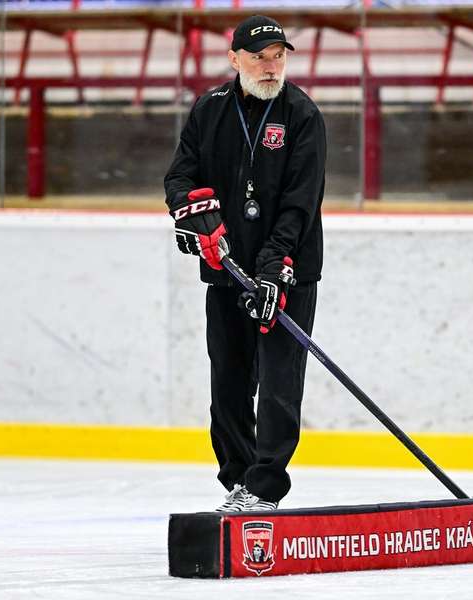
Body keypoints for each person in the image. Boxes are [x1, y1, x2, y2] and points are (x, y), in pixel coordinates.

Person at [164, 15, 327, 512]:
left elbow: (301, 204)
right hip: (227, 273)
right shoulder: (210, 109)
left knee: (278, 389)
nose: (271, 65)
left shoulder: (302, 115)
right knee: (229, 387)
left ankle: (264, 488)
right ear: (234, 59)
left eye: (279, 55)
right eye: (259, 56)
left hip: (284, 276)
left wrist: (275, 267)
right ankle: (239, 481)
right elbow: (180, 176)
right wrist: (192, 215)